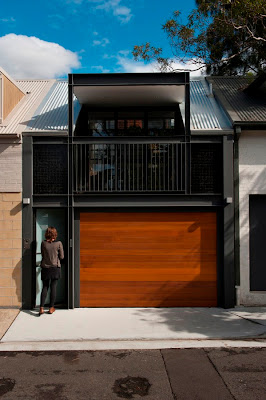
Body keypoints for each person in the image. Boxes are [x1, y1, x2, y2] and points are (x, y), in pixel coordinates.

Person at [39, 227, 64, 316]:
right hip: (55, 268)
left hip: (45, 268)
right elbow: (62, 257)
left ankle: (41, 308)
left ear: (46, 234)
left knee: (45, 287)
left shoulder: (43, 243)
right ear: (55, 234)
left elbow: (42, 254)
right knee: (53, 287)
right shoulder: (58, 243)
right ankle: (51, 308)